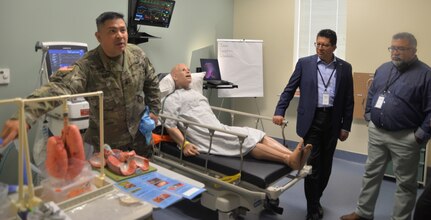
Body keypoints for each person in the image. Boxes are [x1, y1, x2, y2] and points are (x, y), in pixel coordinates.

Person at [0, 12, 160, 158]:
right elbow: (59, 87)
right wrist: (25, 114)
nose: (120, 36)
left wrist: (154, 111)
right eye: (112, 31)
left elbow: (151, 82)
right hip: (108, 148)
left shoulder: (138, 55)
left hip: (141, 143)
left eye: (122, 30)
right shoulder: (88, 65)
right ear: (98, 36)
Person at [340, 32, 431, 220]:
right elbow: (372, 92)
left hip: (405, 137)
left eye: (401, 49)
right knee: (370, 174)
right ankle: (363, 213)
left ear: (414, 50)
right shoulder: (383, 68)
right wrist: (368, 116)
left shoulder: (426, 75)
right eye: (393, 48)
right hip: (377, 133)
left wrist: (419, 136)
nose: (395, 53)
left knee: (405, 184)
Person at [162, 63, 312, 170]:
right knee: (244, 139)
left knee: (255, 133)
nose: (188, 72)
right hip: (206, 135)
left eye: (189, 70)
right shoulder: (171, 99)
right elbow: (170, 125)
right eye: (183, 70)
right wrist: (185, 144)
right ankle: (288, 160)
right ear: (174, 76)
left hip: (217, 127)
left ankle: (293, 156)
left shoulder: (195, 92)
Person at [273, 29, 354, 220]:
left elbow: (349, 100)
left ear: (334, 46)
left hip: (333, 120)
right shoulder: (304, 63)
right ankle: (312, 208)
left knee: (326, 166)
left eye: (325, 45)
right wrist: (279, 111)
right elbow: (289, 89)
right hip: (312, 120)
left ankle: (316, 199)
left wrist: (346, 126)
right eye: (317, 44)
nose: (320, 48)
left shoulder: (345, 67)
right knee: (313, 165)